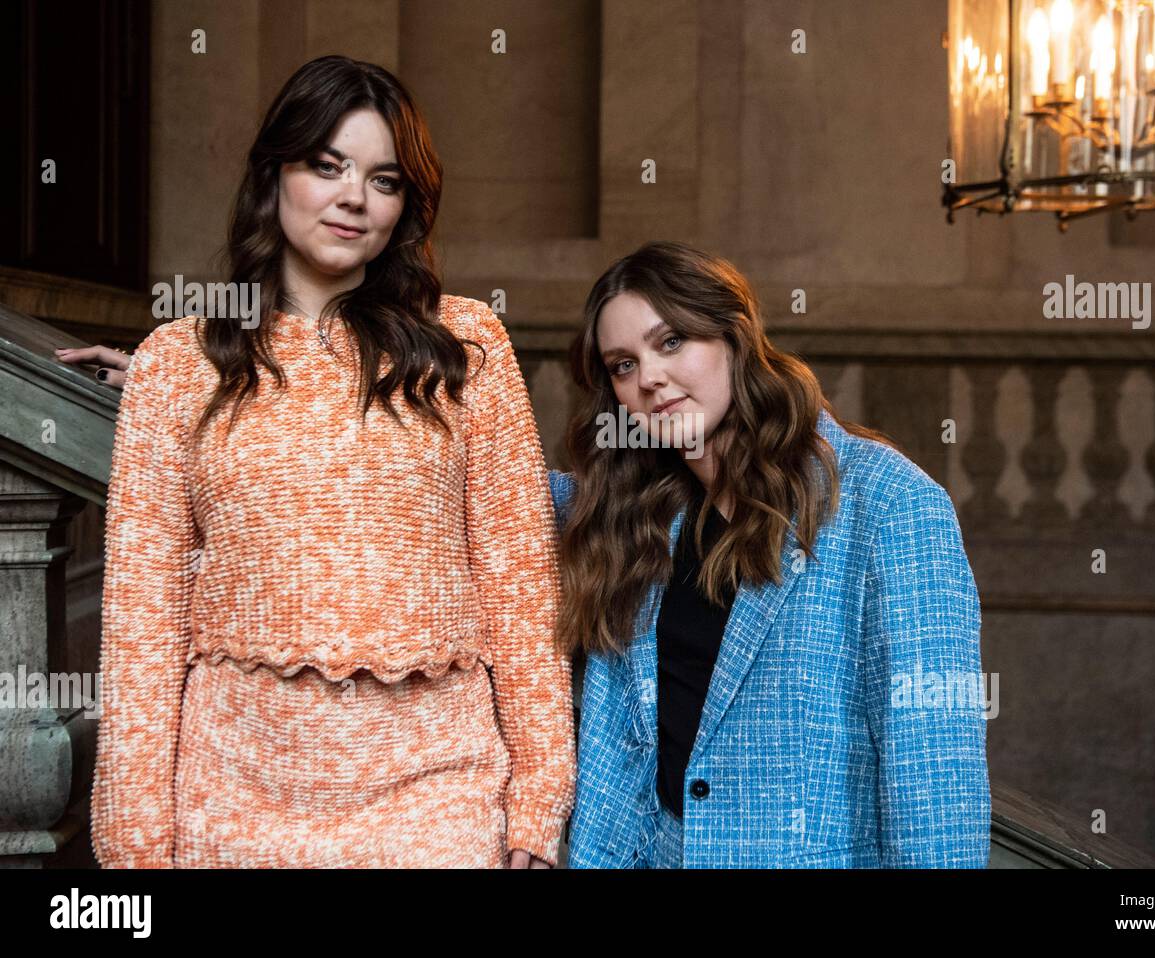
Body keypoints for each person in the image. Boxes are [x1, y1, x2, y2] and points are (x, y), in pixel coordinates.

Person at [59, 55, 575, 868]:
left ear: (404, 205)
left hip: (436, 795)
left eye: (383, 179)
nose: (352, 198)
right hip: (234, 797)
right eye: (326, 166)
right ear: (274, 176)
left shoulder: (467, 345)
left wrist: (540, 806)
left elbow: (520, 588)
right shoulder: (177, 364)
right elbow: (140, 631)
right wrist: (133, 850)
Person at [547, 240, 990, 868]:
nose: (647, 377)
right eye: (622, 364)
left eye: (671, 342)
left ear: (733, 337)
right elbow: (487, 481)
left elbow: (935, 775)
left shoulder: (886, 503)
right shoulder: (634, 518)